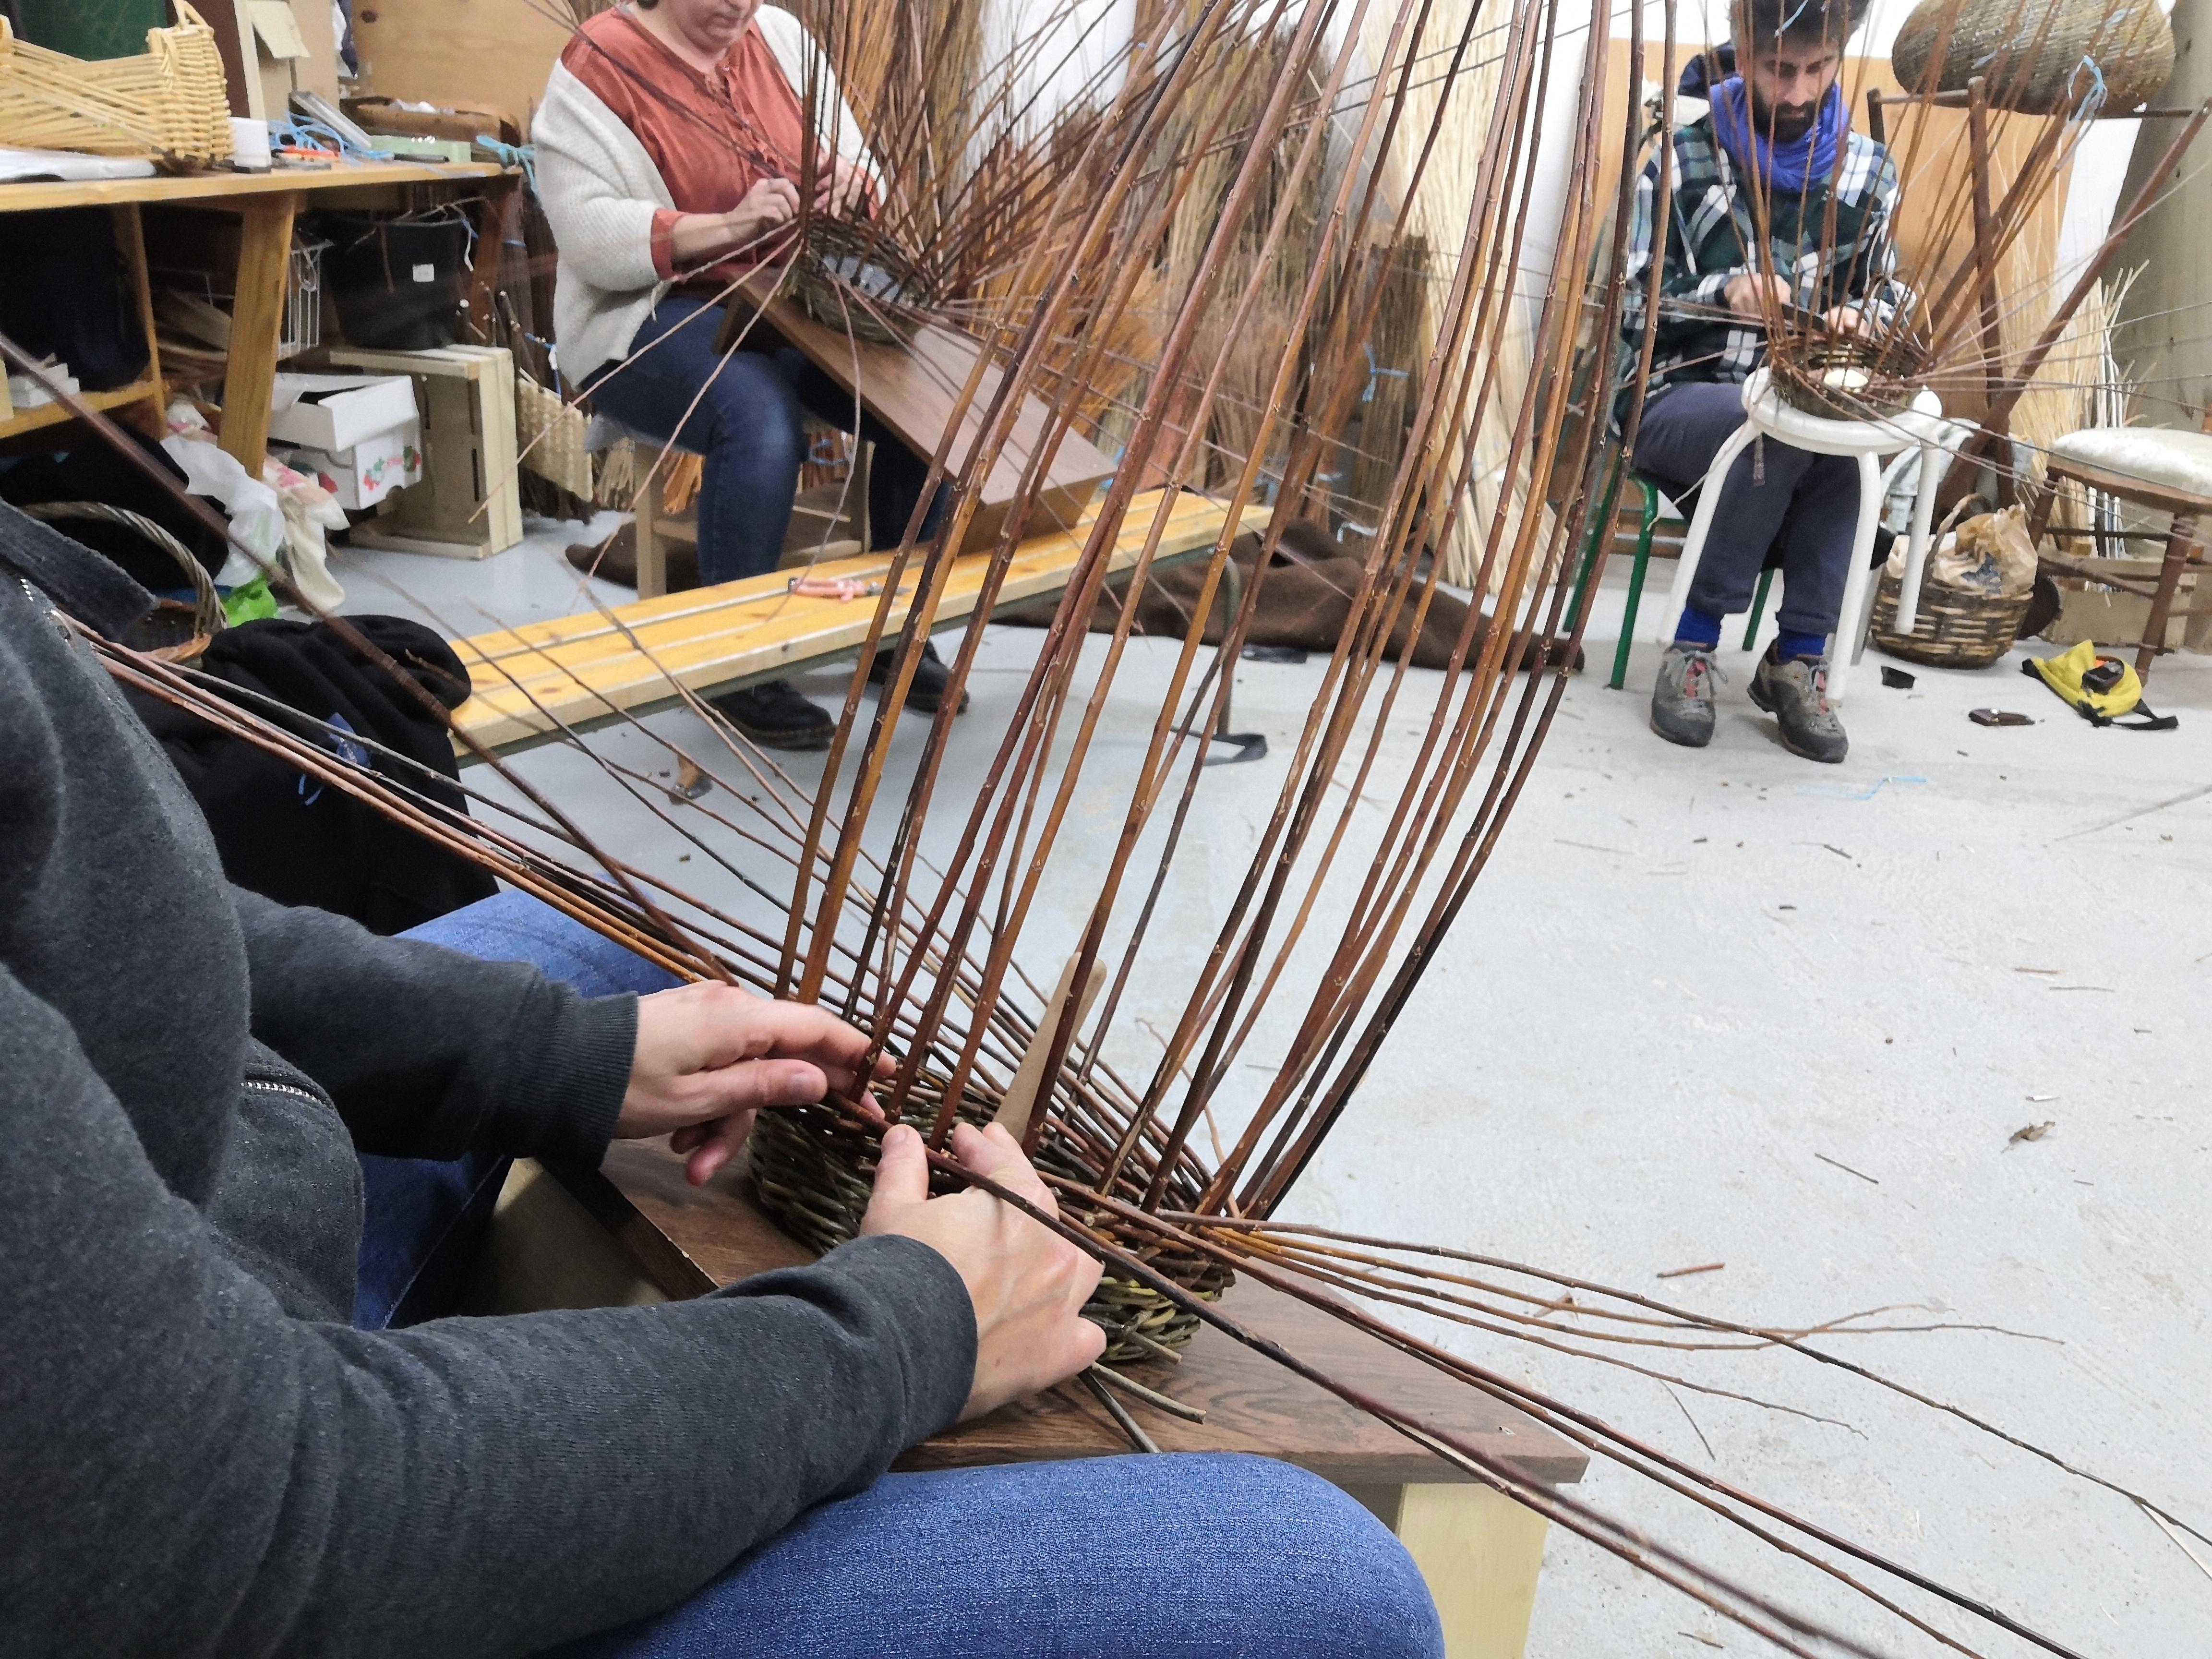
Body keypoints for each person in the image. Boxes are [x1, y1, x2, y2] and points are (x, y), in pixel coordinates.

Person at [0, 502, 1443, 1657]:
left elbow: (107, 912)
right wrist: (901, 1333)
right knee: (1326, 1584)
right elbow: (241, 1532)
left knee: (581, 952)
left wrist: (557, 1052)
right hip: (247, 1539)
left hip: (189, 1215)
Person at [535, 0, 965, 752]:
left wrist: (853, 190)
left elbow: (870, 177)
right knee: (756, 417)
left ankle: (895, 632)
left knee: (925, 406)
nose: (739, 7)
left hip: (791, 303)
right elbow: (590, 237)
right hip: (652, 313)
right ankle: (736, 666)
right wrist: (733, 224)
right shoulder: (600, 63)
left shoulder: (782, 39)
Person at [1619, 0, 1907, 764]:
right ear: (1742, 51)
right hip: (1678, 391)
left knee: (1843, 445)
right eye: (1781, 70)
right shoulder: (1680, 155)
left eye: (1817, 70)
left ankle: (1800, 658)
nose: (1798, 93)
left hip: (1800, 403)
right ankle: (1694, 643)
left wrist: (1867, 320)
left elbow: (1888, 290)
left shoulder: (1869, 172)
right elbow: (1628, 300)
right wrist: (1724, 294)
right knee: (1770, 432)